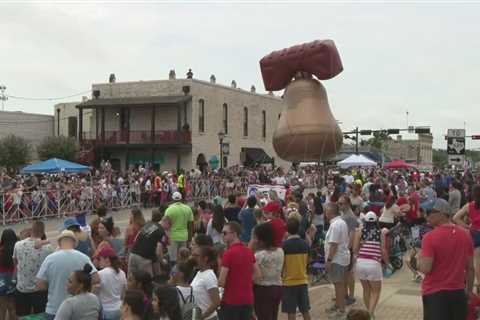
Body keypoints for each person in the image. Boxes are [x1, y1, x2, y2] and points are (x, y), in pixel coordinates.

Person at [419, 198, 474, 320]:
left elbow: (426, 268)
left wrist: (418, 260)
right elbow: (470, 268)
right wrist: (469, 291)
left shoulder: (429, 237)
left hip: (434, 294)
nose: (426, 216)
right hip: (458, 293)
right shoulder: (466, 235)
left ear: (442, 214)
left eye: (429, 212)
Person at [37, 230, 98, 320]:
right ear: (74, 243)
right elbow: (96, 278)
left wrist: (55, 284)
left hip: (54, 309)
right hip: (79, 309)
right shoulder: (83, 257)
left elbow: (40, 285)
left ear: (59, 243)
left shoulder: (50, 259)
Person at [219, 222, 260, 320]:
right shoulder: (248, 251)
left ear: (234, 234)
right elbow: (258, 274)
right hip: (247, 299)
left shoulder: (228, 254)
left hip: (231, 300)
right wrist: (245, 282)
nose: (222, 236)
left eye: (225, 233)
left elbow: (221, 281)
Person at [13, 221, 52, 317]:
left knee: (22, 316)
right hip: (39, 290)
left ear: (31, 231)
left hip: (22, 288)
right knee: (40, 316)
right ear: (43, 233)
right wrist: (47, 241)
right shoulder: (48, 248)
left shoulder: (18, 245)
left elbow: (15, 262)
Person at [353, 212, 388, 319]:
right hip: (374, 264)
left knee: (366, 290)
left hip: (360, 263)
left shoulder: (359, 232)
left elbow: (354, 250)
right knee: (376, 291)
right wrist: (387, 262)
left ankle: (368, 313)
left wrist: (361, 244)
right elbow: (383, 250)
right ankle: (370, 314)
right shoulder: (380, 232)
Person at [252, 222, 284, 320]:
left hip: (262, 290)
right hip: (277, 287)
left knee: (263, 316)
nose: (254, 240)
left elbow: (255, 275)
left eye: (255, 238)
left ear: (261, 240)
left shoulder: (259, 256)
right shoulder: (280, 251)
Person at [281, 218, 311, 320]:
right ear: (298, 228)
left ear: (287, 230)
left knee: (291, 312)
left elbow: (282, 265)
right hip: (303, 280)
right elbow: (307, 262)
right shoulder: (305, 244)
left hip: (289, 283)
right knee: (305, 311)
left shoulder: (284, 246)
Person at [324, 203, 350, 319]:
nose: (325, 214)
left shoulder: (335, 225)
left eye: (326, 212)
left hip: (337, 259)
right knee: (339, 284)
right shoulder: (341, 222)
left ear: (330, 213)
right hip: (342, 258)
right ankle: (338, 304)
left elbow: (333, 245)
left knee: (339, 285)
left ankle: (341, 310)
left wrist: (329, 260)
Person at [453, 184, 480, 287]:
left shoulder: (469, 205)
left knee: (477, 262)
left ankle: (479, 284)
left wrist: (468, 227)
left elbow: (455, 218)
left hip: (475, 233)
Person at [129, 209, 168, 276]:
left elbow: (137, 237)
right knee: (146, 281)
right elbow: (158, 251)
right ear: (167, 223)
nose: (168, 229)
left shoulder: (149, 224)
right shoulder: (161, 231)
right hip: (144, 258)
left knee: (131, 279)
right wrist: (162, 261)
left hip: (133, 254)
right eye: (169, 227)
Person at [96, 246, 127, 320]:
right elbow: (124, 292)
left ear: (107, 259)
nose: (98, 261)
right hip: (120, 309)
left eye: (99, 259)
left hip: (107, 310)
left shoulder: (101, 274)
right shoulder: (122, 273)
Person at [164, 192, 194, 266]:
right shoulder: (188, 209)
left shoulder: (169, 210)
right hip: (184, 236)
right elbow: (191, 225)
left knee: (173, 259)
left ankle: (173, 273)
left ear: (172, 199)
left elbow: (165, 226)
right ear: (181, 199)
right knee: (184, 258)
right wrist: (190, 239)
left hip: (172, 237)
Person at [191, 245, 221, 320]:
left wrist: (202, 316)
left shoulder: (209, 276)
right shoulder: (199, 273)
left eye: (196, 256)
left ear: (205, 258)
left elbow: (216, 302)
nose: (193, 258)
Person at [0, 229, 18, 320]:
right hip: (13, 278)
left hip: (1, 279)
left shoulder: (1, 249)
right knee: (13, 307)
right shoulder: (17, 248)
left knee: (2, 308)